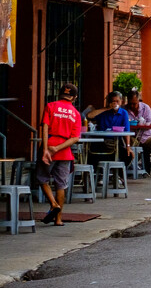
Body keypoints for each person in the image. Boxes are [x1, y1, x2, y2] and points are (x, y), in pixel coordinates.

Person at [39, 83, 82, 227]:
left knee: (42, 179)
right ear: (74, 98)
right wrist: (57, 149)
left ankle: (53, 203)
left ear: (60, 94)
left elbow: (44, 128)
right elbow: (75, 138)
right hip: (65, 152)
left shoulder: (50, 106)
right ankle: (58, 219)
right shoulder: (75, 113)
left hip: (49, 145)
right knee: (61, 185)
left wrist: (46, 149)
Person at [124, 87, 151, 174]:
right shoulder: (124, 110)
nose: (132, 106)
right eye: (130, 104)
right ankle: (131, 165)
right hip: (133, 137)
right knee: (130, 142)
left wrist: (144, 124)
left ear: (138, 101)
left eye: (135, 104)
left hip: (146, 137)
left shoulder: (146, 108)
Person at [88, 90, 133, 161]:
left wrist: (128, 146)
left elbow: (126, 131)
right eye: (113, 101)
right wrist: (107, 108)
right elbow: (89, 116)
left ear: (121, 101)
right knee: (92, 153)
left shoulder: (124, 113)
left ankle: (118, 171)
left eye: (117, 101)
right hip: (102, 141)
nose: (115, 103)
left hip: (116, 142)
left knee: (128, 156)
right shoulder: (104, 112)